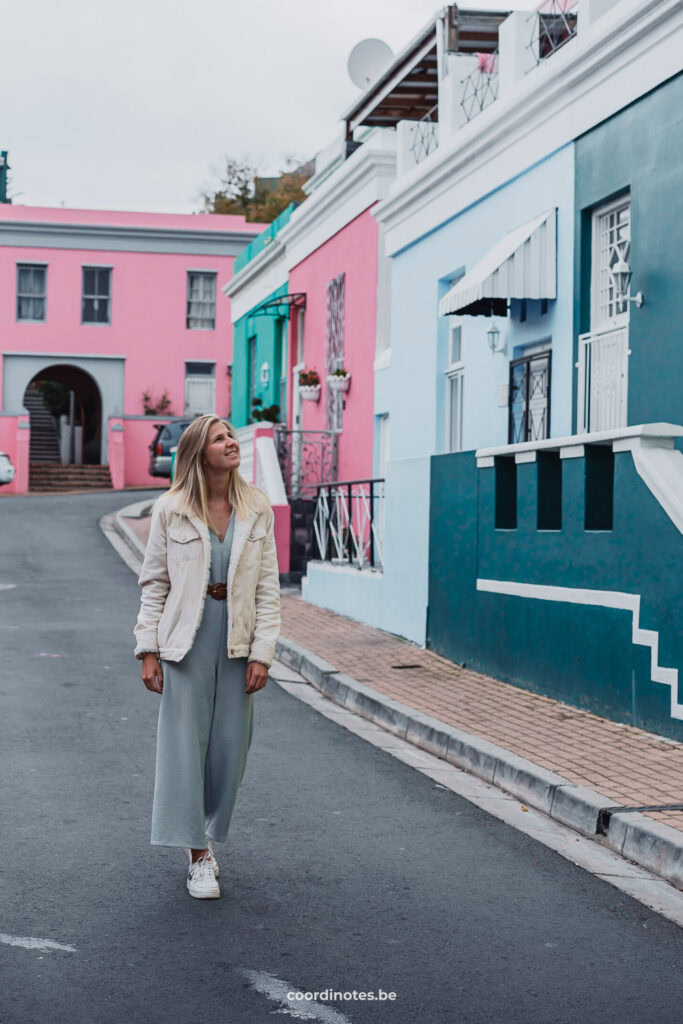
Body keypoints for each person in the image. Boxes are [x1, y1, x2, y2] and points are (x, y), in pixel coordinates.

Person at [133, 414, 280, 899]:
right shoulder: (170, 509)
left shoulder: (256, 508)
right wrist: (148, 649)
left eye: (231, 436)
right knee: (184, 749)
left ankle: (208, 833)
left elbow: (267, 588)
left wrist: (263, 652)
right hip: (185, 642)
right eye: (220, 439)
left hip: (237, 640)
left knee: (229, 748)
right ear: (200, 452)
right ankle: (197, 855)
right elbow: (154, 585)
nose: (231, 443)